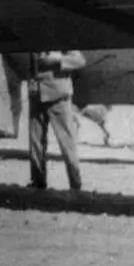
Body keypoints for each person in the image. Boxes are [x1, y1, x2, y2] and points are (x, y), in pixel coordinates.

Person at [26, 50, 87, 191]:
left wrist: (57, 59)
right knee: (35, 142)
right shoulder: (32, 37)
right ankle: (37, 183)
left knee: (67, 143)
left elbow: (80, 61)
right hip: (37, 95)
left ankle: (75, 185)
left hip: (58, 96)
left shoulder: (61, 35)